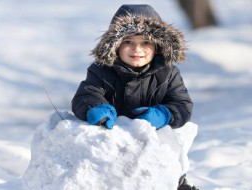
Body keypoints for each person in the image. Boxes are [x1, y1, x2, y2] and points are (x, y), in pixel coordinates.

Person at [72, 4, 197, 190]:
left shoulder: (168, 74)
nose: (137, 49)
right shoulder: (101, 71)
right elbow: (87, 94)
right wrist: (95, 107)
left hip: (154, 140)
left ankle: (176, 182)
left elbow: (182, 103)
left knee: (168, 151)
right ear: (115, 45)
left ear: (158, 45)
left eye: (146, 42)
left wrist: (164, 114)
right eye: (128, 41)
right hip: (114, 139)